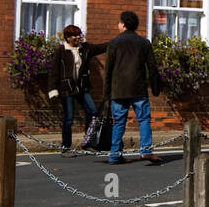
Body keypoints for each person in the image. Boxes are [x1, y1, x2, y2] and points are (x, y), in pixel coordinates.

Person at [103, 10, 163, 165]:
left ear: (123, 25)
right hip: (138, 88)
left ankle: (115, 154)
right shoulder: (144, 43)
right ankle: (146, 151)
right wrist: (156, 87)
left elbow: (108, 70)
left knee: (119, 122)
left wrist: (106, 93)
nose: (118, 25)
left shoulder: (114, 43)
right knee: (143, 120)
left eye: (119, 22)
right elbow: (152, 67)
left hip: (118, 90)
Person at [47, 25, 109, 155]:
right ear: (68, 37)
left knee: (92, 113)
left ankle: (87, 143)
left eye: (79, 35)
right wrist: (53, 90)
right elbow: (54, 72)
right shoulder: (61, 50)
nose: (77, 37)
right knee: (68, 118)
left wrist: (117, 42)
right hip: (66, 89)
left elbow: (102, 47)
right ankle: (66, 148)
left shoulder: (85, 48)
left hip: (81, 87)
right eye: (74, 35)